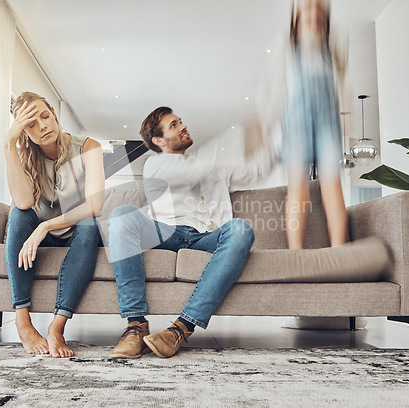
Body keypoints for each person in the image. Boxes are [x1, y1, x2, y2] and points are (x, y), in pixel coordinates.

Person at [108, 106, 278, 359]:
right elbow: (189, 172)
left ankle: (180, 329)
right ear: (158, 140)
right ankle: (135, 327)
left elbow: (256, 171)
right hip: (165, 233)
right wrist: (238, 136)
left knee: (241, 228)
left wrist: (271, 139)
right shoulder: (156, 164)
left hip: (205, 236)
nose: (183, 126)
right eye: (174, 125)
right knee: (120, 215)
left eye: (180, 121)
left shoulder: (210, 166)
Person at [4, 92, 105, 358]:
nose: (43, 127)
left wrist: (45, 227)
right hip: (39, 233)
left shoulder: (88, 147)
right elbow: (24, 202)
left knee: (89, 225)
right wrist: (8, 145)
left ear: (54, 113)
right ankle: (23, 323)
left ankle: (56, 327)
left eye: (45, 116)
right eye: (31, 125)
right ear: (24, 133)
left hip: (75, 231)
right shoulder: (25, 155)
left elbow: (95, 205)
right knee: (18, 214)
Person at [282, 0, 349, 249]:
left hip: (328, 122)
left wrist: (347, 123)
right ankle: (295, 253)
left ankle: (339, 249)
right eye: (307, 10)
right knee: (298, 185)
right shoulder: (289, 52)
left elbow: (342, 85)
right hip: (296, 122)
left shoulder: (333, 49)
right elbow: (273, 91)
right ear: (296, 22)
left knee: (332, 182)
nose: (314, 15)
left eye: (319, 12)